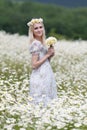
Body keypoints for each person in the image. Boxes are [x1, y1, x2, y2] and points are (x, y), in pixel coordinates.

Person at [27, 18, 57, 106]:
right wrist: (47, 55)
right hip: (39, 76)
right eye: (36, 28)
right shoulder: (36, 43)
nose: (39, 30)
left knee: (47, 99)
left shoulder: (43, 43)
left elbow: (44, 62)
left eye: (40, 27)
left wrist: (50, 55)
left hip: (46, 73)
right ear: (32, 31)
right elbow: (34, 65)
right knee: (40, 100)